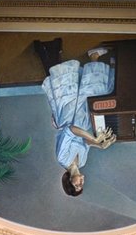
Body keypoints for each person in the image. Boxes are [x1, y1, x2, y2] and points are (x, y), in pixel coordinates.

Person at [41, 47, 117, 197]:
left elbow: (71, 130)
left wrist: (94, 139)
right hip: (84, 122)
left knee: (84, 92)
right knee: (97, 96)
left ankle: (92, 56)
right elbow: (85, 143)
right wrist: (99, 145)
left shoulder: (62, 158)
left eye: (76, 185)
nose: (81, 183)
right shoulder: (82, 162)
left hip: (69, 116)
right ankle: (95, 58)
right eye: (81, 186)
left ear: (69, 180)